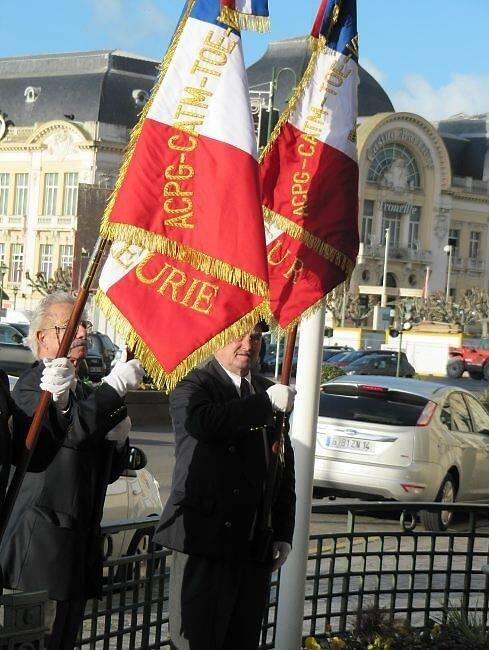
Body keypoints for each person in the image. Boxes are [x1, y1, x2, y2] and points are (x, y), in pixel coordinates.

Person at [0, 292, 144, 650]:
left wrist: (117, 443)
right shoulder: (35, 387)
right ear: (42, 339)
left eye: (85, 324)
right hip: (40, 557)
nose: (81, 332)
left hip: (76, 555)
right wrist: (112, 390)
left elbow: (103, 473)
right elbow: (67, 434)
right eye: (69, 326)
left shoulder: (81, 393)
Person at [155, 323, 296, 650]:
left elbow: (281, 467)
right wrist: (264, 405)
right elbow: (205, 423)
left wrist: (283, 531)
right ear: (215, 339)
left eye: (256, 338)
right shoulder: (194, 384)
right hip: (206, 543)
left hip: (252, 547)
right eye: (239, 336)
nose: (247, 345)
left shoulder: (264, 388)